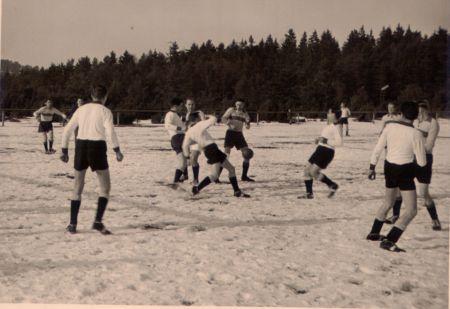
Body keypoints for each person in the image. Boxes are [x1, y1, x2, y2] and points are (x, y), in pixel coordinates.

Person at [60, 85, 124, 235]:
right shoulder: (106, 111)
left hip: (81, 147)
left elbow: (67, 130)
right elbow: (110, 131)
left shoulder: (81, 109)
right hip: (97, 148)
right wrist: (117, 150)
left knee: (77, 186)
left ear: (91, 95)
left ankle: (72, 224)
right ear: (105, 97)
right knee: (105, 187)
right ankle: (97, 221)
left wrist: (64, 150)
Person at [366, 101, 426, 252]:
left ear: (401, 113)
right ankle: (390, 239)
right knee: (411, 210)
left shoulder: (389, 127)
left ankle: (374, 233)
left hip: (389, 167)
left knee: (388, 202)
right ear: (416, 116)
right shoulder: (416, 133)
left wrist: (372, 167)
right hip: (405, 170)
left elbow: (378, 148)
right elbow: (422, 162)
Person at [182, 115, 249, 197]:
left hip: (209, 150)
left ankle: (237, 191)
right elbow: (214, 119)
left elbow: (185, 146)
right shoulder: (199, 125)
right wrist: (208, 116)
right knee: (214, 175)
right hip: (212, 149)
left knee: (231, 169)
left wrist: (187, 157)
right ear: (195, 120)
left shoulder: (188, 133)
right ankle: (196, 189)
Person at [301, 109, 342, 199]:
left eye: (331, 113)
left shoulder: (337, 127)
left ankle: (332, 185)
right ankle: (309, 194)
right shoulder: (329, 126)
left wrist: (326, 141)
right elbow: (325, 138)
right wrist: (319, 140)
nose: (328, 114)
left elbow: (339, 142)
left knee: (313, 172)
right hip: (320, 149)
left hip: (327, 151)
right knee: (306, 170)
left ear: (335, 117)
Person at [413, 101, 441, 230]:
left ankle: (435, 219)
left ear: (426, 111)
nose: (420, 115)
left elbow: (429, 145)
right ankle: (395, 215)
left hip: (425, 158)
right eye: (418, 112)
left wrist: (417, 148)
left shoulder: (433, 123)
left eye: (422, 112)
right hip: (411, 157)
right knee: (398, 187)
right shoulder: (414, 121)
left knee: (423, 192)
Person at [220, 100, 255, 182]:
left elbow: (247, 124)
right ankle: (216, 177)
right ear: (235, 104)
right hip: (230, 133)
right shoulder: (231, 110)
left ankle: (244, 176)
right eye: (237, 104)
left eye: (240, 105)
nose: (239, 106)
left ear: (243, 105)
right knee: (226, 155)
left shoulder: (245, 113)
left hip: (239, 134)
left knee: (247, 153)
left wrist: (247, 124)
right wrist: (229, 123)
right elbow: (223, 118)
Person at [164, 97, 187, 184]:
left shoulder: (176, 115)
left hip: (181, 137)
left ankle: (184, 176)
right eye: (181, 106)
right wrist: (180, 127)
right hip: (176, 139)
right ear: (175, 106)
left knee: (185, 160)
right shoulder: (169, 114)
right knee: (182, 161)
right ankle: (176, 181)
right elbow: (167, 126)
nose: (182, 108)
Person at [184, 98, 206, 185]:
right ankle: (186, 176)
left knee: (193, 159)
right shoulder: (186, 114)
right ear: (186, 105)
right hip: (189, 140)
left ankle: (196, 180)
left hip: (198, 139)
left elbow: (205, 124)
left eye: (192, 104)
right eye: (189, 104)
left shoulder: (199, 113)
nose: (191, 106)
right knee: (188, 159)